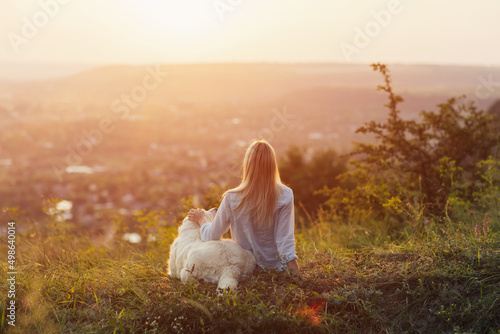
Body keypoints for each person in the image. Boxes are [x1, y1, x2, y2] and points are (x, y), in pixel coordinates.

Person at [187, 139, 299, 273]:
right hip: (276, 271)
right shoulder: (285, 195)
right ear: (272, 165)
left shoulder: (232, 198)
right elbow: (285, 240)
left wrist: (202, 219)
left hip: (246, 271)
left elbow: (211, 236)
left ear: (247, 165)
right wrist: (296, 275)